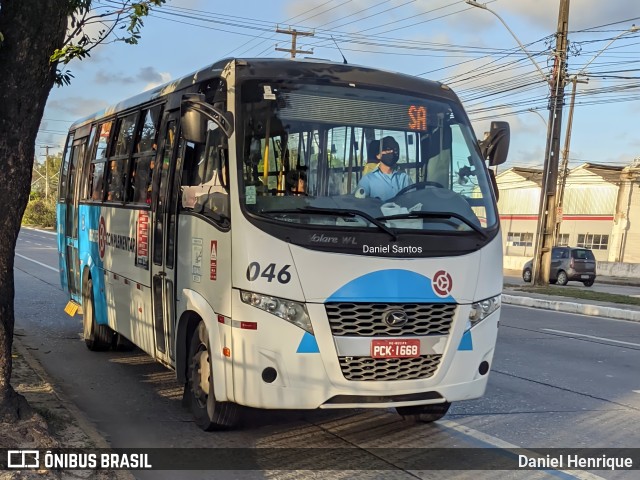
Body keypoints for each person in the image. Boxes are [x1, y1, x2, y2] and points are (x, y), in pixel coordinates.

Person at [355, 136, 411, 201]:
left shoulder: (404, 178)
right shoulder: (367, 180)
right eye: (388, 150)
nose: (392, 152)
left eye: (394, 150)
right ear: (378, 155)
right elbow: (359, 203)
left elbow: (412, 200)